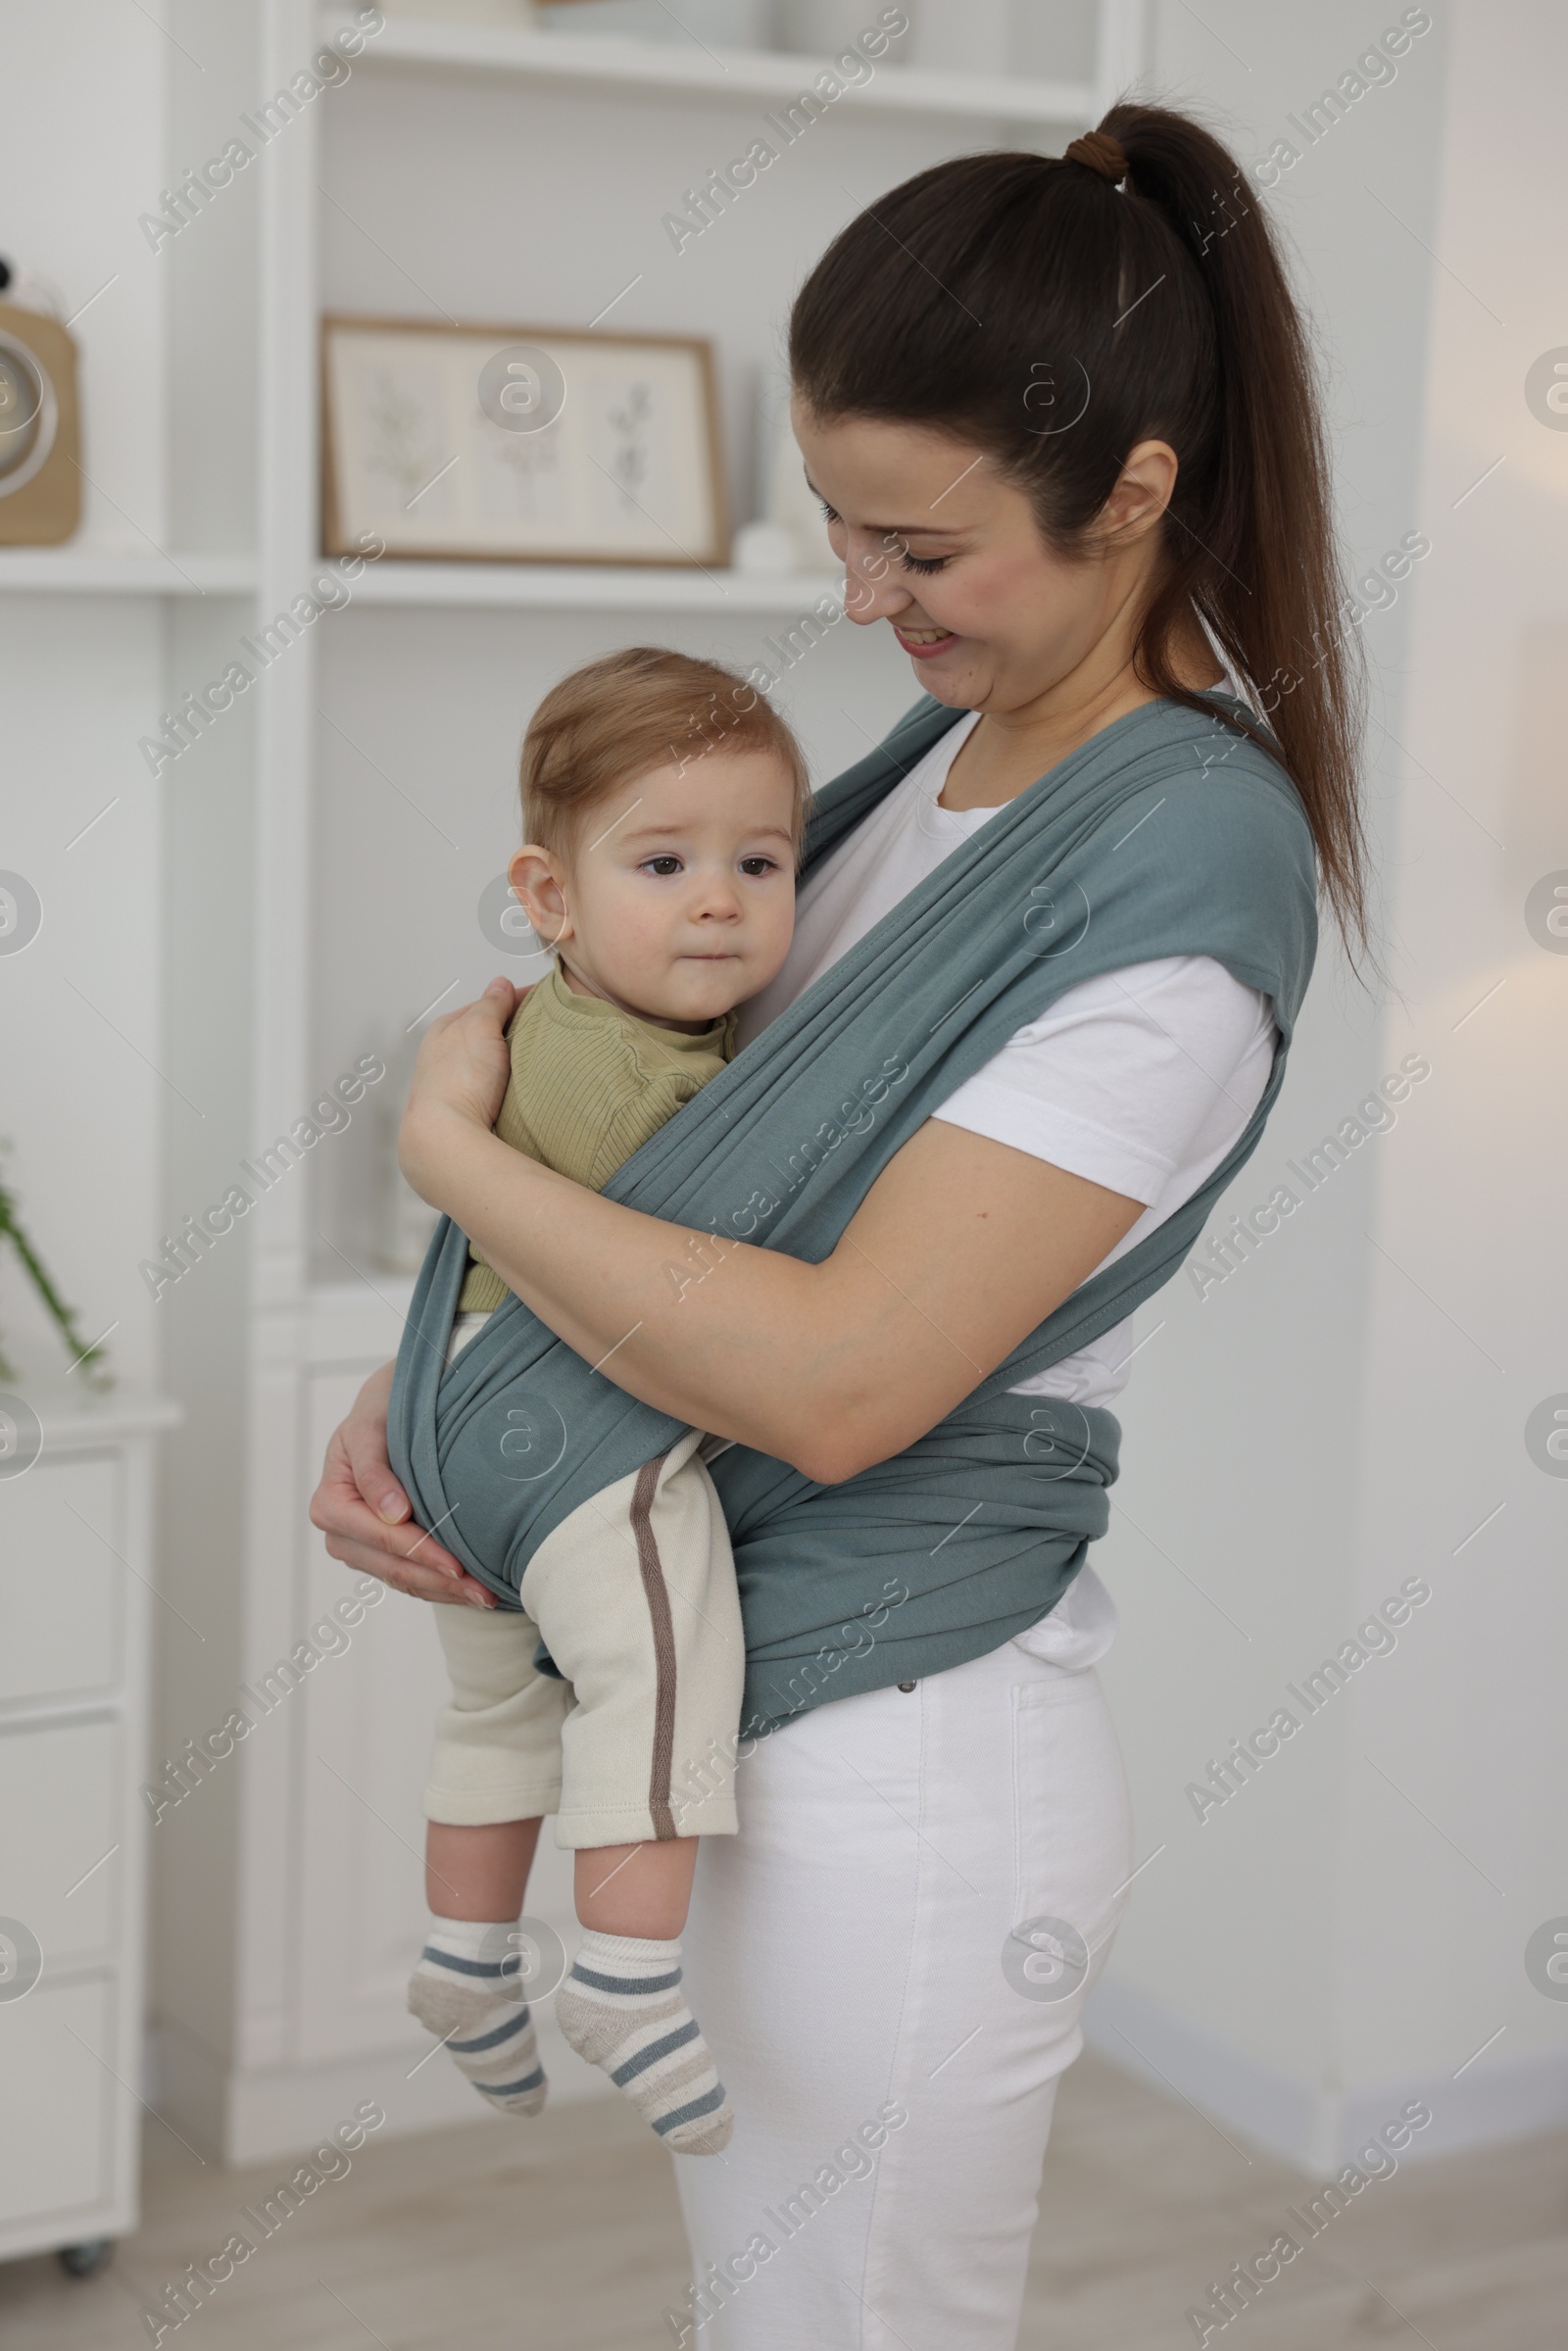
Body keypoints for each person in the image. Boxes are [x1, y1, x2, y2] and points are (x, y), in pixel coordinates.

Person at [313, 104, 1366, 2350]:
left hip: (897, 1756)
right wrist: (436, 1388)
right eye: (837, 529)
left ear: (1138, 490)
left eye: (918, 549)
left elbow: (840, 1371)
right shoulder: (937, 784)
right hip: (731, 1702)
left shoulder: (1180, 873)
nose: (860, 602)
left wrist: (454, 1165)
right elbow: (688, 1172)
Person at [404, 647, 808, 2157]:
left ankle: (462, 1962)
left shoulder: (519, 1039)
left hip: (453, 1423)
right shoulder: (655, 1077)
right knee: (660, 1671)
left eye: (759, 862)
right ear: (549, 895)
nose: (720, 899)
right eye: (665, 861)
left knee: (502, 1702)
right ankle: (628, 1982)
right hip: (574, 1441)